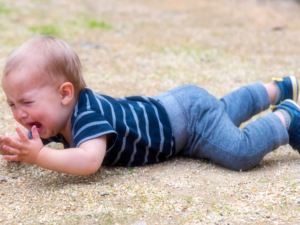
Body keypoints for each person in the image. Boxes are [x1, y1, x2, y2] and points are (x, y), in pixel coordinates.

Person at [0, 36, 299, 175]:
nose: (19, 112)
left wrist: (39, 156)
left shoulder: (87, 116)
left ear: (66, 94)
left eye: (26, 102)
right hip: (179, 108)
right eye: (12, 103)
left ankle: (286, 117)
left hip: (187, 124)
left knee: (239, 152)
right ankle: (277, 88)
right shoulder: (57, 116)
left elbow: (88, 162)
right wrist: (22, 148)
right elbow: (39, 138)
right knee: (222, 110)